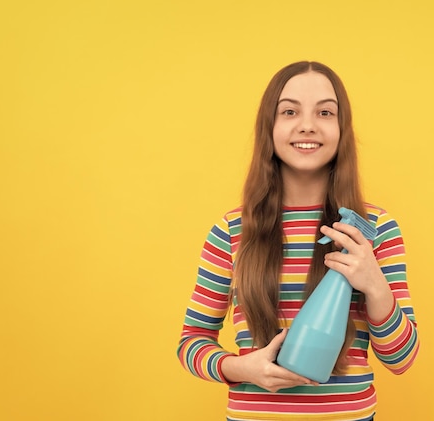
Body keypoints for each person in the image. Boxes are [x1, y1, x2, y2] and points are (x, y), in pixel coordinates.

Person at [177, 61, 419, 421]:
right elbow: (192, 341)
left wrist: (375, 285)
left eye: (325, 112)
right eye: (289, 111)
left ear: (342, 128)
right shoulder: (230, 231)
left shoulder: (375, 228)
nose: (307, 124)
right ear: (269, 128)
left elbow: (401, 359)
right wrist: (241, 368)